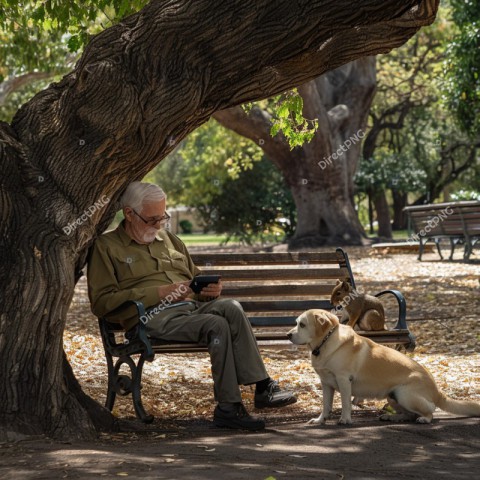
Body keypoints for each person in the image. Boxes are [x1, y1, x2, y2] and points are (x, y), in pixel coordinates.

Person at [87, 181, 296, 430]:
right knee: (216, 324)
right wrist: (159, 293)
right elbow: (101, 302)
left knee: (231, 306)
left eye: (162, 217)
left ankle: (263, 387)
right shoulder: (107, 247)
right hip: (150, 319)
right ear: (129, 213)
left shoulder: (169, 240)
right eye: (152, 219)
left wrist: (208, 291)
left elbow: (193, 281)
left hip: (190, 311)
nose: (158, 225)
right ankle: (229, 408)